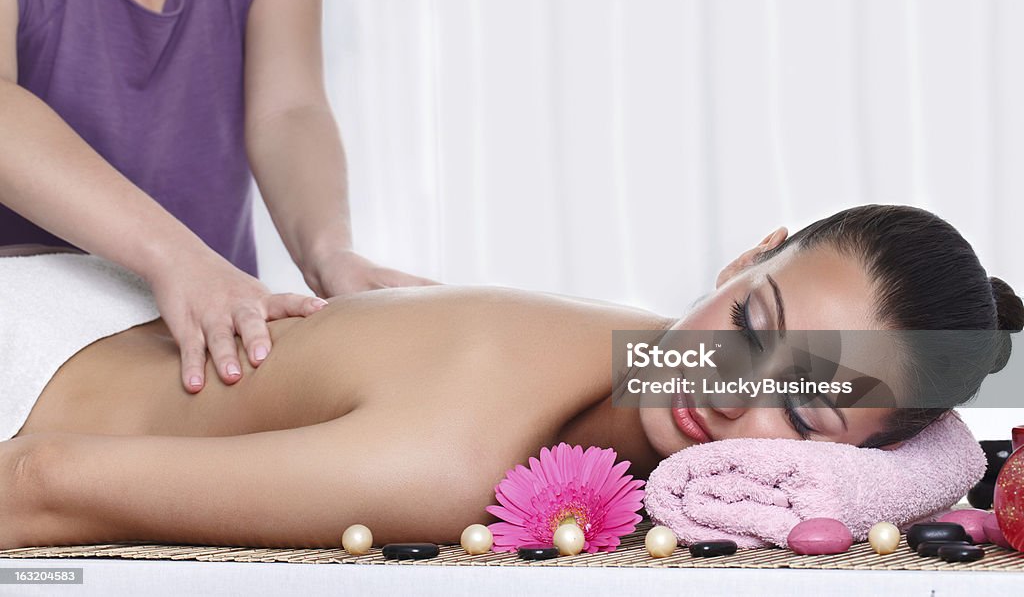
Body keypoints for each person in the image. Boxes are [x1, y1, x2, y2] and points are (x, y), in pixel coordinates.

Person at [0, 205, 1020, 550]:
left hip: (92, 311)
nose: (721, 383)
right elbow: (40, 481)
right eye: (751, 319)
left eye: (800, 408)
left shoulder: (646, 351)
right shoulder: (446, 461)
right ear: (741, 258)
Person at [0, 0, 432, 395]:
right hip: (39, 317)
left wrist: (328, 252)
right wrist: (176, 258)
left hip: (212, 308)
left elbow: (289, 111)